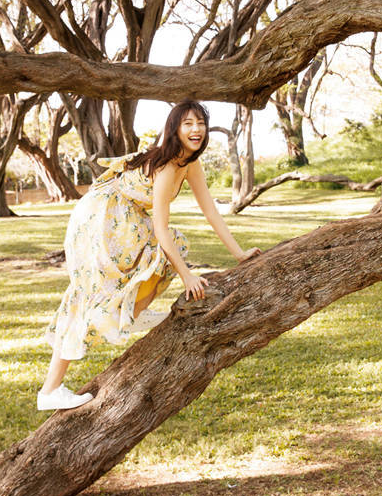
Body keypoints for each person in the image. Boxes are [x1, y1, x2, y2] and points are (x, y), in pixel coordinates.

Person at [37, 100, 262, 410]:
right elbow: (161, 228)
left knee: (166, 250)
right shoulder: (167, 166)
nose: (196, 129)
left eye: (200, 123)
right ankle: (53, 387)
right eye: (188, 123)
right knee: (90, 293)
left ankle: (129, 314)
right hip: (102, 216)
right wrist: (187, 276)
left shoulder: (189, 163)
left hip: (125, 216)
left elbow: (211, 212)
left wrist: (239, 253)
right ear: (174, 129)